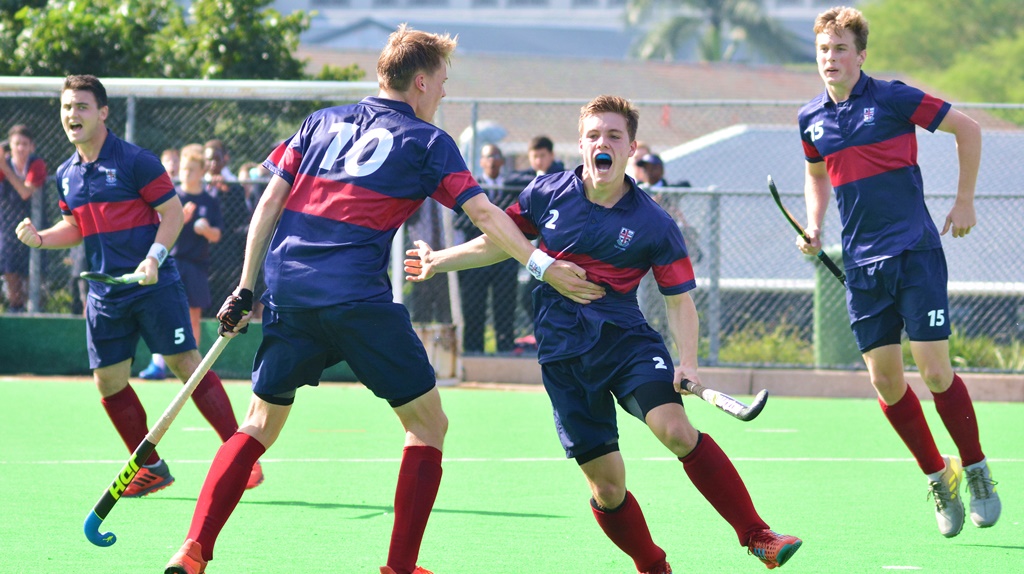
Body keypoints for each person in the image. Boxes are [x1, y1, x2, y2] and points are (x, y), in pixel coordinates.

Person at [163, 24, 601, 574]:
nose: (444, 92)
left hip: (289, 289)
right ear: (420, 81)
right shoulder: (428, 141)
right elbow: (485, 214)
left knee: (258, 422)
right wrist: (544, 267)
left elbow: (270, 202)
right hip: (356, 297)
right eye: (443, 80)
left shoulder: (319, 122)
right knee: (427, 424)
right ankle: (399, 568)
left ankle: (194, 548)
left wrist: (246, 287)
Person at [406, 95, 802, 572]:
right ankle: (652, 564)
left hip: (627, 345)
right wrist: (438, 261)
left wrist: (689, 362)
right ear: (581, 143)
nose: (603, 143)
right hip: (564, 357)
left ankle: (757, 535)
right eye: (594, 135)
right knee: (608, 487)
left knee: (676, 430)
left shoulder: (654, 222)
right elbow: (499, 240)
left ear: (630, 146)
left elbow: (680, 301)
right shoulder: (547, 192)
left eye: (614, 135)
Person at [797, 6, 997, 538]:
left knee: (934, 370)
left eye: (841, 49)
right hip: (861, 266)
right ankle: (939, 474)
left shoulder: (892, 97)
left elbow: (968, 128)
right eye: (823, 49)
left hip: (915, 253)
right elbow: (816, 176)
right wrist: (814, 226)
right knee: (886, 383)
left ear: (861, 55)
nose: (831, 58)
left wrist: (965, 200)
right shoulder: (810, 119)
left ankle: (975, 467)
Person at [15, 74, 263, 500]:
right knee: (108, 381)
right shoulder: (66, 174)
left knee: (186, 363)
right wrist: (41, 238)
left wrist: (153, 258)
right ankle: (149, 467)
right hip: (105, 293)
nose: (72, 115)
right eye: (67, 107)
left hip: (155, 284)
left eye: (82, 107)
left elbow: (172, 215)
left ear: (103, 112)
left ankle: (241, 457)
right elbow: (75, 227)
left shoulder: (135, 161)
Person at [141, 143, 224, 380]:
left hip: (197, 266)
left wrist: (206, 229)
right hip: (171, 262)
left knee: (192, 317)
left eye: (191, 169)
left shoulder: (210, 200)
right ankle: (158, 364)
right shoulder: (172, 197)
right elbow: (157, 229)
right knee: (164, 314)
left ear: (201, 172)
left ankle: (194, 369)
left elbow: (217, 235)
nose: (186, 173)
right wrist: (181, 220)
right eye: (184, 169)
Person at [453, 143, 519, 353]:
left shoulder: (513, 188)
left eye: (495, 156)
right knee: (473, 305)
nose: (491, 161)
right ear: (481, 162)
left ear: (502, 161)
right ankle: (473, 349)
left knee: (505, 306)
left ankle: (505, 349)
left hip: (505, 255)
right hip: (476, 255)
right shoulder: (472, 188)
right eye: (487, 157)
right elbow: (461, 220)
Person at [0, 125, 47, 313]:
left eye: (25, 144)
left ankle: (34, 311)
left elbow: (25, 192)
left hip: (35, 225)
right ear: (10, 146)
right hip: (7, 226)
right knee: (10, 272)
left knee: (34, 277)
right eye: (16, 144)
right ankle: (15, 309)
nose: (20, 148)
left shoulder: (37, 164)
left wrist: (4, 167)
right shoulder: (5, 165)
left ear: (32, 147)